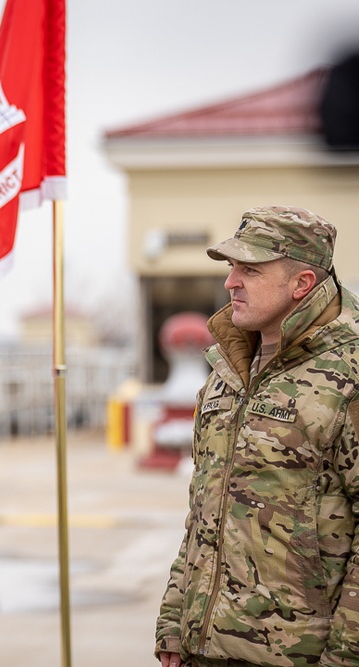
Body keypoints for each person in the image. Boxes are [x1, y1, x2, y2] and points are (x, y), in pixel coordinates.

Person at [155, 206, 359, 667]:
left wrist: (345, 658)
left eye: (249, 269)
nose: (230, 281)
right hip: (205, 648)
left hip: (299, 655)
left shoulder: (349, 374)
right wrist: (173, 620)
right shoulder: (227, 371)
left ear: (301, 284)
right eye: (231, 267)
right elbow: (204, 509)